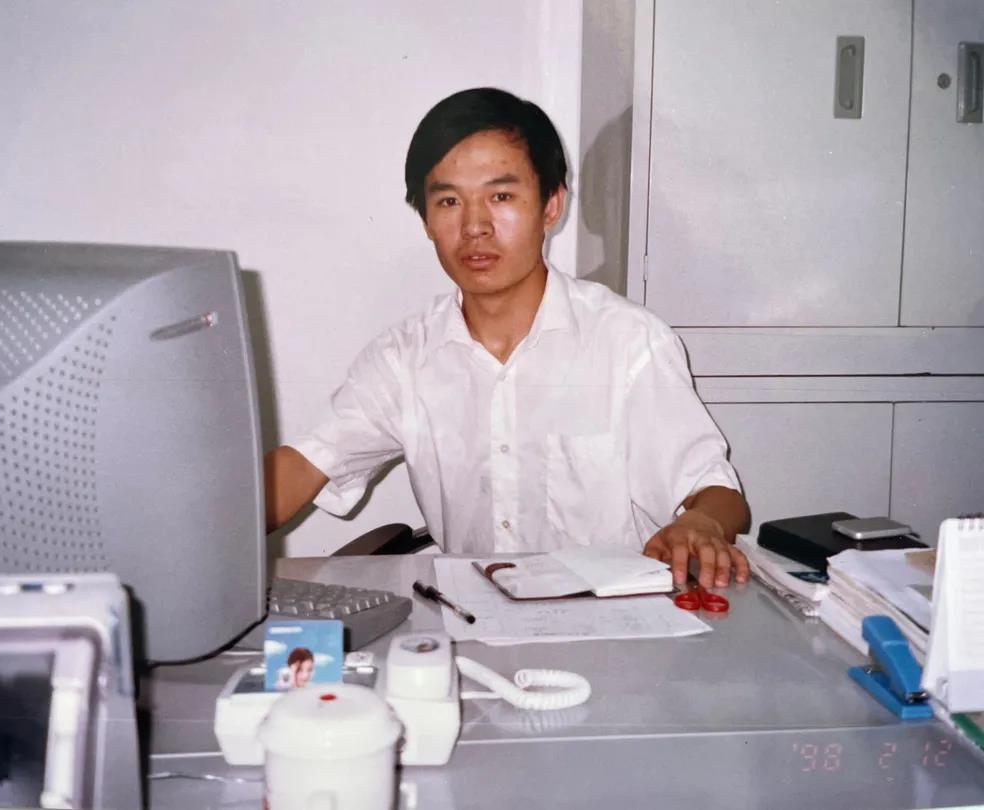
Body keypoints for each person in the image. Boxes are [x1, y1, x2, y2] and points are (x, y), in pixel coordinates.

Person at [265, 87, 749, 589]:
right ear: (427, 221)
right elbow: (300, 468)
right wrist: (212, 516)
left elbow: (716, 493)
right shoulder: (404, 358)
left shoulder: (626, 340)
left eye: (500, 197)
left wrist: (701, 524)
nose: (474, 226)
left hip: (616, 617)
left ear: (551, 206)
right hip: (473, 617)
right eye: (449, 201)